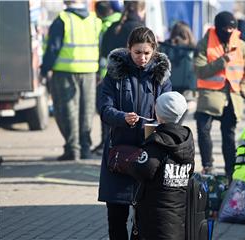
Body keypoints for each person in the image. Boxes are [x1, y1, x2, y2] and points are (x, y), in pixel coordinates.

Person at [97, 26, 172, 240]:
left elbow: (170, 109)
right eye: (137, 52)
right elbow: (104, 108)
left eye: (147, 53)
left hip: (149, 156)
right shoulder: (115, 73)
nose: (143, 58)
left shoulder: (161, 76)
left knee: (144, 221)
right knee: (116, 218)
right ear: (128, 48)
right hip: (119, 154)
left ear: (154, 51)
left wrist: (162, 121)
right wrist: (122, 117)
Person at [193, 11, 245, 179]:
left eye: (232, 28)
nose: (228, 31)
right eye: (225, 27)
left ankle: (230, 172)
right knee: (203, 130)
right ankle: (208, 166)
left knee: (229, 136)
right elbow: (200, 70)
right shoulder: (205, 43)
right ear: (217, 27)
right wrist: (222, 61)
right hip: (210, 97)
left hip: (233, 98)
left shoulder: (240, 45)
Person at [40, 0, 101, 160]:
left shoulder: (62, 19)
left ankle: (73, 149)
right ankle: (86, 149)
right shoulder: (94, 20)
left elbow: (53, 48)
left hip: (65, 72)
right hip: (89, 71)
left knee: (67, 111)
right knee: (87, 112)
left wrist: (44, 69)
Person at [133, 91, 194, 240]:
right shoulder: (187, 140)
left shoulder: (156, 142)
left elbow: (142, 171)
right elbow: (190, 171)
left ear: (158, 112)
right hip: (179, 213)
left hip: (155, 216)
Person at [93, 1, 122, 156]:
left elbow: (103, 52)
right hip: (117, 73)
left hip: (106, 74)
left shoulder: (104, 26)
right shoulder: (118, 22)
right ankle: (108, 141)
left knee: (105, 108)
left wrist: (100, 72)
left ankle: (106, 141)